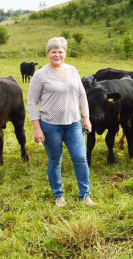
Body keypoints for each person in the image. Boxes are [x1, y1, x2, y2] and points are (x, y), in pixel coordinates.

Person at [27, 37, 96, 207]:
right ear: (47, 53)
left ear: (65, 53)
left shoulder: (73, 70)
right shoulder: (40, 75)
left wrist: (86, 118)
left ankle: (85, 195)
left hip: (73, 124)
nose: (57, 55)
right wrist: (37, 128)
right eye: (53, 51)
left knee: (80, 158)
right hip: (50, 126)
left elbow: (81, 94)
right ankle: (59, 196)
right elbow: (31, 101)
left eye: (60, 51)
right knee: (55, 160)